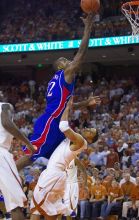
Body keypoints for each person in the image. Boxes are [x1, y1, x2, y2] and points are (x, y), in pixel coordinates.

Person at [16, 12, 97, 171]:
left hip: (56, 122)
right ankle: (4, 178)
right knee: (31, 155)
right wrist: (88, 27)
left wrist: (86, 103)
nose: (69, 62)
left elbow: (67, 107)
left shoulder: (58, 81)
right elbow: (81, 53)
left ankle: (63, 190)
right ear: (61, 66)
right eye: (65, 61)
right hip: (50, 122)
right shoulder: (65, 74)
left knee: (63, 159)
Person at [30, 100, 99, 220]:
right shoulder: (76, 141)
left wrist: (67, 107)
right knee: (48, 208)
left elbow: (63, 126)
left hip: (54, 174)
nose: (88, 129)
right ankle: (67, 210)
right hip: (54, 174)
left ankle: (68, 211)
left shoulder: (80, 140)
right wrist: (83, 173)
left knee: (38, 204)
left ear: (91, 140)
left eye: (90, 132)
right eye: (89, 129)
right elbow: (76, 160)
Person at [0, 102, 36, 220]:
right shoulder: (5, 105)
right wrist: (28, 143)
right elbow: (6, 123)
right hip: (1, 153)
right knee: (16, 203)